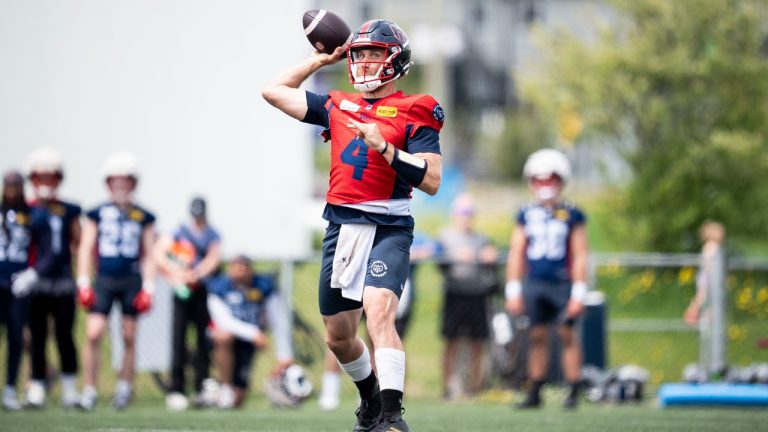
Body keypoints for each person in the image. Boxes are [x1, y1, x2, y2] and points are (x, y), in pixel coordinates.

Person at [263, 18, 444, 432]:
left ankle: (394, 418)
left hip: (388, 226)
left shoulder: (417, 107)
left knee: (380, 312)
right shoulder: (336, 105)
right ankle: (370, 399)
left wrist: (386, 149)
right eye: (358, 53)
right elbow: (273, 92)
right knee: (339, 337)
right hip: (341, 226)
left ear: (395, 60)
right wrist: (317, 59)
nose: (363, 60)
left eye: (373, 53)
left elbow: (431, 181)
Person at [505, 149, 588, 409]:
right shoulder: (526, 214)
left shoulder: (572, 214)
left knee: (566, 333)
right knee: (537, 334)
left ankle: (573, 389)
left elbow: (580, 253)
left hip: (562, 282)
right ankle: (535, 390)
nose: (545, 186)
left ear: (561, 181)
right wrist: (513, 288)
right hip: (535, 282)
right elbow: (517, 252)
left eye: (550, 179)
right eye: (540, 180)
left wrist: (579, 291)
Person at [316, 232, 436, 411]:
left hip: (383, 282)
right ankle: (333, 392)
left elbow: (433, 248)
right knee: (340, 336)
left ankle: (387, 405)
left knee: (380, 333)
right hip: (355, 274)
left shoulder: (404, 223)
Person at [76, 152, 157, 411]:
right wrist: (83, 282)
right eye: (116, 180)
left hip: (131, 278)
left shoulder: (143, 215)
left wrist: (149, 286)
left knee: (129, 336)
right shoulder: (97, 213)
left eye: (125, 181)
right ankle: (89, 389)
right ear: (109, 183)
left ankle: (124, 388)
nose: (121, 185)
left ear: (133, 183)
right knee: (93, 332)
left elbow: (149, 253)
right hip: (105, 279)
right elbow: (86, 247)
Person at [23, 148, 82, 409]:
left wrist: (82, 278)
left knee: (64, 336)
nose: (46, 183)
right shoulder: (27, 210)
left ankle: (70, 388)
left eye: (51, 178)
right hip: (35, 282)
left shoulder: (68, 210)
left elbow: (78, 242)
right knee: (36, 336)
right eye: (41, 178)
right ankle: (36, 384)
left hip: (63, 282)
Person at [154, 197, 222, 411]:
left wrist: (196, 273)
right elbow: (160, 253)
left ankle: (202, 385)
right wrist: (178, 274)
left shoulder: (212, 234)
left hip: (201, 291)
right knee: (179, 339)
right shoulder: (179, 232)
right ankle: (176, 388)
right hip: (181, 291)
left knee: (203, 340)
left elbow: (213, 258)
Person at [206, 255, 294, 409]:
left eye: (245, 267)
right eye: (237, 267)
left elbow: (278, 320)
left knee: (238, 400)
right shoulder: (219, 288)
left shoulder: (263, 287)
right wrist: (253, 333)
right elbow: (223, 321)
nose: (241, 271)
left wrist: (284, 355)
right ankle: (223, 388)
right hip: (227, 339)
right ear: (229, 269)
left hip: (248, 342)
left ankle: (226, 391)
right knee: (223, 336)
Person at [0, 170, 54, 410]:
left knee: (16, 337)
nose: (12, 189)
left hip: (17, 285)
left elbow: (48, 250)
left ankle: (11, 389)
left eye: (16, 185)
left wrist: (33, 273)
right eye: (8, 185)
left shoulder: (34, 215)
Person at [437, 194, 499, 400]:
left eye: (469, 214)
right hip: (454, 295)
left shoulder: (482, 238)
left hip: (477, 296)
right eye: (462, 213)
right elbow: (439, 262)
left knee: (477, 343)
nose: (466, 218)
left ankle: (475, 388)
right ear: (454, 215)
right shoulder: (445, 236)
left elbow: (493, 259)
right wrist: (455, 256)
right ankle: (448, 388)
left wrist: (490, 257)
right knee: (451, 342)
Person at [684, 221, 725, 326]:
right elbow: (709, 263)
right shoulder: (711, 245)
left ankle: (706, 315)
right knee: (702, 296)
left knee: (707, 297)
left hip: (709, 276)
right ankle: (691, 314)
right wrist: (713, 274)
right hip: (708, 277)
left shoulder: (712, 245)